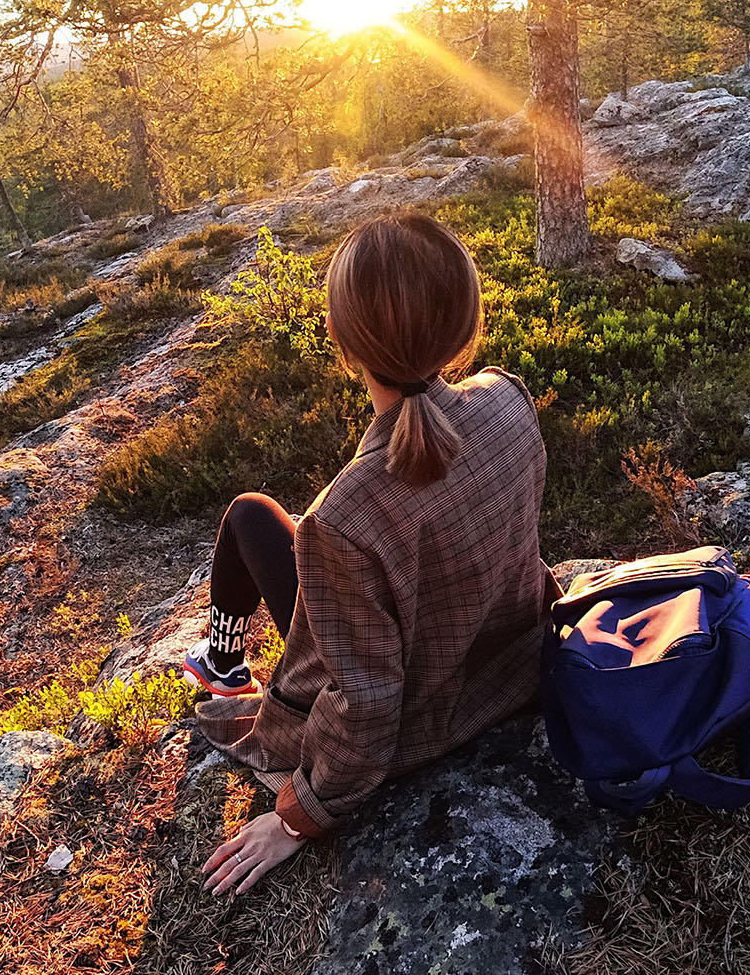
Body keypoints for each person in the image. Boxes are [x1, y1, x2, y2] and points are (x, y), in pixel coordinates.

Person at [188, 211, 557, 896]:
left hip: (427, 712)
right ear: (466, 323)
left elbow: (369, 707)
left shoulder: (343, 519)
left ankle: (223, 660)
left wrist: (298, 817)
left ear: (338, 339)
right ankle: (222, 660)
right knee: (268, 522)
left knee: (249, 515)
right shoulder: (509, 400)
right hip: (511, 664)